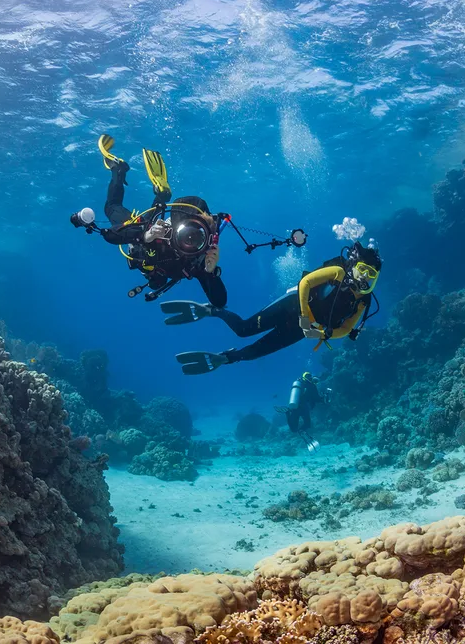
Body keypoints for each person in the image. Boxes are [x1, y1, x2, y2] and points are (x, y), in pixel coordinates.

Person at [162, 241, 382, 375]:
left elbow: (346, 328)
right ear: (354, 265)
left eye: (371, 275)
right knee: (243, 330)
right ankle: (213, 310)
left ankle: (225, 358)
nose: (365, 277)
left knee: (256, 352)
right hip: (293, 306)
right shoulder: (338, 272)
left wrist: (324, 333)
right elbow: (305, 283)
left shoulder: (364, 300)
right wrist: (305, 317)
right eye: (363, 269)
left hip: (303, 329)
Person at [70, 135, 227, 307]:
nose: (189, 240)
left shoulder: (199, 260)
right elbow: (110, 235)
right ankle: (119, 169)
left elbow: (219, 301)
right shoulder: (166, 236)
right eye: (188, 233)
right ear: (177, 227)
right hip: (149, 231)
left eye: (196, 238)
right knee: (112, 207)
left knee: (126, 210)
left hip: (149, 232)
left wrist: (211, 272)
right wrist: (145, 235)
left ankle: (159, 192)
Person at [275, 372, 331, 451]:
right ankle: (302, 430)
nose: (314, 381)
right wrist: (324, 396)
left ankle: (287, 413)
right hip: (304, 408)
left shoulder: (300, 384)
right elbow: (317, 399)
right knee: (307, 424)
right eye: (312, 379)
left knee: (293, 429)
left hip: (294, 407)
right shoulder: (312, 386)